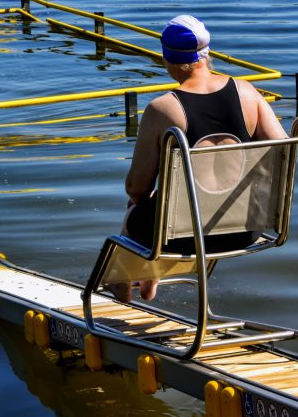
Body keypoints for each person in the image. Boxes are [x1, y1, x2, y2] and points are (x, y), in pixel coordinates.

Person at [109, 15, 288, 303]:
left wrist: (145, 197)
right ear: (207, 53)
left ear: (166, 57)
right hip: (245, 229)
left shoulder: (162, 109)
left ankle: (124, 285)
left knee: (136, 208)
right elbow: (282, 151)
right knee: (155, 209)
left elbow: (137, 189)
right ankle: (148, 277)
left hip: (179, 235)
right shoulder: (248, 92)